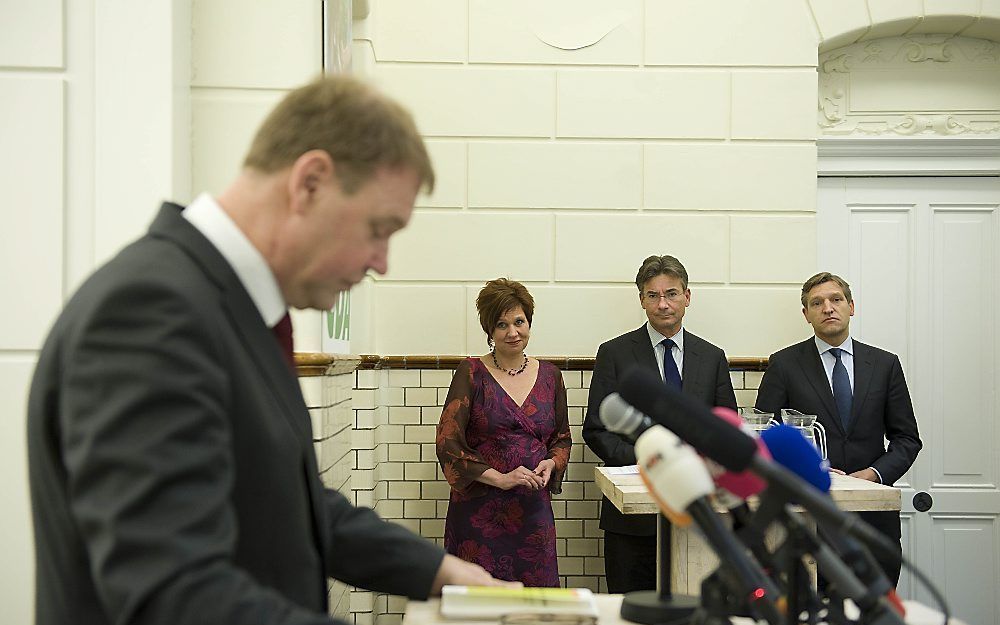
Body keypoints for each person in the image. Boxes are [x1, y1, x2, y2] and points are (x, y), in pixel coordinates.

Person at [26, 75, 511, 625]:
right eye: (379, 229)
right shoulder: (150, 310)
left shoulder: (230, 310)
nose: (382, 262)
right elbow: (173, 593)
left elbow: (289, 505)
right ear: (309, 183)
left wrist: (436, 570)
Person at [582, 254, 737, 593]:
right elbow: (595, 429)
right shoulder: (615, 353)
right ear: (641, 300)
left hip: (701, 514)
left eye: (672, 294)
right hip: (633, 518)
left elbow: (728, 429)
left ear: (687, 297)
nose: (663, 304)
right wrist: (649, 460)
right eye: (653, 295)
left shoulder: (711, 357)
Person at [755, 271, 922, 585]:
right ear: (806, 314)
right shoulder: (784, 364)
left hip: (874, 520)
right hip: (808, 516)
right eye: (816, 303)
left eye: (836, 299)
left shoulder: (885, 365)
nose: (828, 308)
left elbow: (907, 439)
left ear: (851, 306)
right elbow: (765, 438)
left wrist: (872, 475)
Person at [436, 278, 573, 586]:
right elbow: (448, 444)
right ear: (489, 330)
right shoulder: (471, 372)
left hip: (533, 512)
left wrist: (552, 463)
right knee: (476, 606)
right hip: (478, 514)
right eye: (502, 325)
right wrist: (501, 478)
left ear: (529, 323)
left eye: (519, 322)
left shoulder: (551, 376)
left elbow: (561, 438)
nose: (513, 332)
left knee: (537, 608)